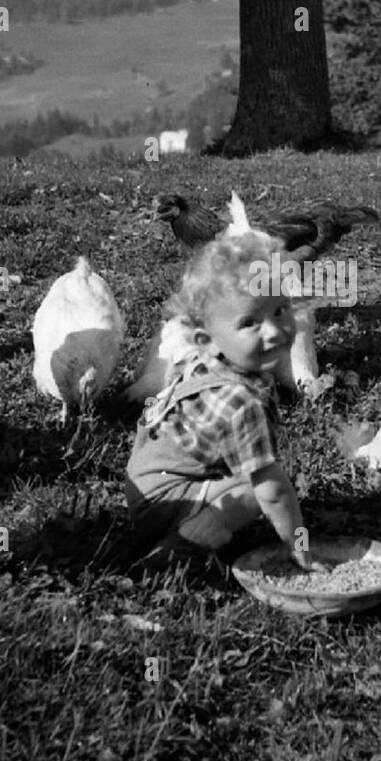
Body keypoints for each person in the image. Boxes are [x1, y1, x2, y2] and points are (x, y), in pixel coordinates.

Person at [124, 230, 321, 570]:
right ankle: (179, 549)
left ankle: (193, 518)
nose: (274, 330)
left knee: (261, 474)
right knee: (257, 489)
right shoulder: (242, 402)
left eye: (280, 309)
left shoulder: (212, 360)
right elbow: (273, 492)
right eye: (250, 322)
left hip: (147, 479)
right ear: (207, 339)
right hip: (161, 500)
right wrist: (301, 545)